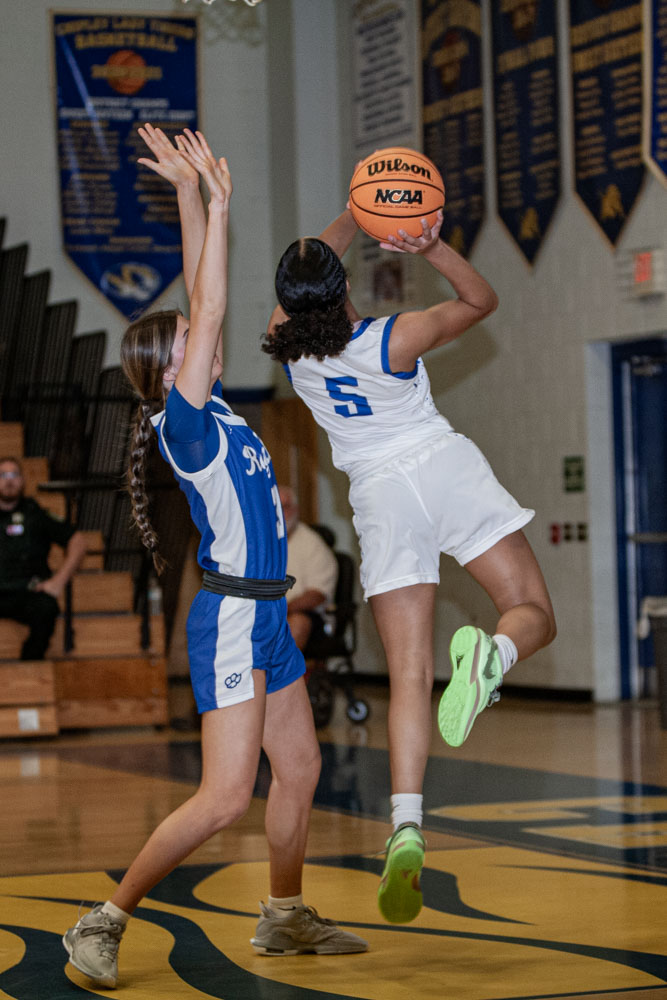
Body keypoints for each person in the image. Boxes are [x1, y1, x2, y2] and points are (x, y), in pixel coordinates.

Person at [62, 127, 366, 990]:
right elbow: (211, 300)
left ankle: (284, 914)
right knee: (226, 796)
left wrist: (187, 196)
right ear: (172, 372)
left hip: (267, 613)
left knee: (300, 767)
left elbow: (201, 293)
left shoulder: (219, 411)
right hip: (232, 616)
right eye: (188, 339)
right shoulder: (186, 426)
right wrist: (221, 206)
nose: (202, 331)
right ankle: (103, 920)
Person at [263, 207, 557, 926]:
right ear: (343, 289)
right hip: (442, 467)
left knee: (408, 675)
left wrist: (347, 220)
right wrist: (426, 244)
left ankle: (405, 825)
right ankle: (493, 655)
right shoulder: (393, 338)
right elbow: (480, 301)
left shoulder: (288, 351)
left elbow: (303, 275)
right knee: (532, 612)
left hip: (381, 496)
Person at [0, 457, 87, 660]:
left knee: (47, 608)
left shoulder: (35, 514)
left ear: (22, 480)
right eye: (3, 475)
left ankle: (30, 665)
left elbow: (78, 542)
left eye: (14, 475)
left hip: (27, 593)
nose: (9, 480)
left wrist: (57, 582)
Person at [278, 484, 338, 651]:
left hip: (308, 616)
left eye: (285, 507)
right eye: (274, 506)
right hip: (271, 612)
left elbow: (316, 596)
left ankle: (282, 669)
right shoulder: (263, 543)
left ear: (295, 509)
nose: (279, 513)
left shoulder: (314, 545)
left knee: (298, 622)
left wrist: (282, 610)